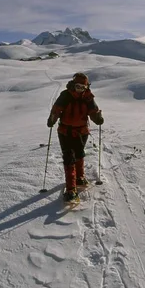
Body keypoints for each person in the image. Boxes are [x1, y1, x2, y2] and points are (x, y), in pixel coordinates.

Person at [47, 72, 104, 201]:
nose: (80, 90)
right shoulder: (65, 95)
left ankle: (80, 177)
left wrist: (98, 118)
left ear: (86, 87)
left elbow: (93, 111)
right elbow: (57, 109)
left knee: (79, 154)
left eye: (83, 87)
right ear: (73, 85)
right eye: (78, 86)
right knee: (69, 157)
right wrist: (52, 119)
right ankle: (71, 188)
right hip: (65, 131)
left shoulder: (88, 97)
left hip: (81, 132)